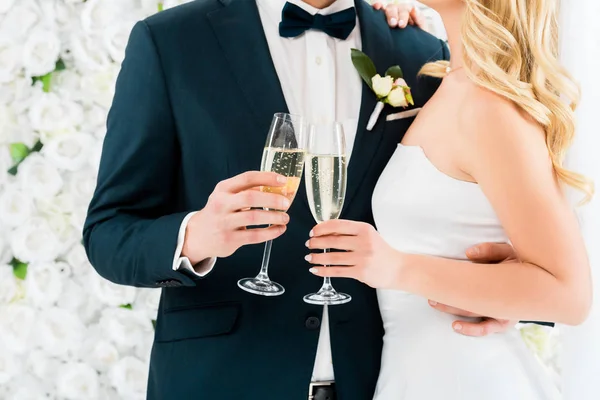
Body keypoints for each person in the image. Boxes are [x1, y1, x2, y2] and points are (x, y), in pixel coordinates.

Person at [84, 0, 525, 398]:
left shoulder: (420, 50)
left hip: (381, 379)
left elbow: (455, 205)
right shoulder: (170, 40)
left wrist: (497, 293)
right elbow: (109, 231)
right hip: (222, 380)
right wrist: (195, 236)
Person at [306, 0, 593, 399]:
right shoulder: (449, 82)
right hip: (417, 372)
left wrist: (395, 267)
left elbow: (570, 296)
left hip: (469, 380)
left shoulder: (489, 105)